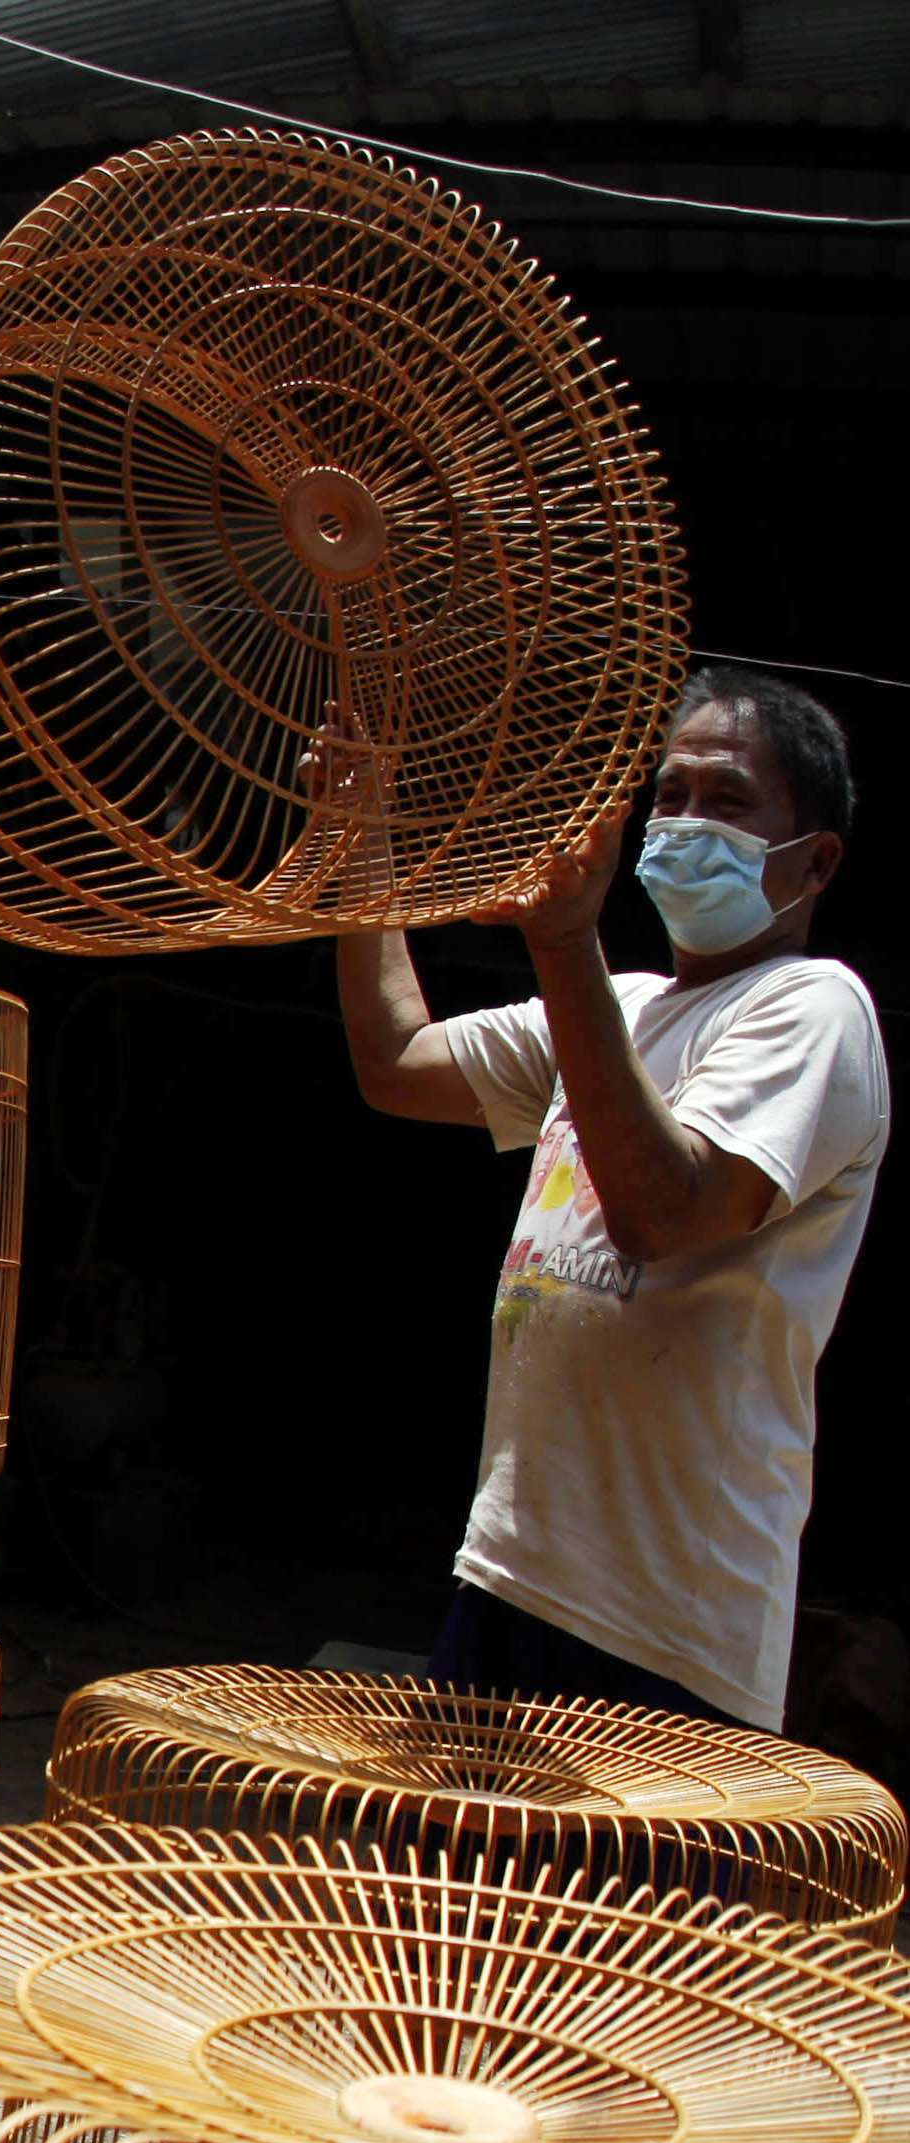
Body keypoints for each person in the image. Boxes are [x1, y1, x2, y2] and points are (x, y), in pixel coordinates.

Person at [331, 665, 887, 1733]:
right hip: (508, 1570)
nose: (681, 824)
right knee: (462, 1903)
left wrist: (560, 941)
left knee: (621, 1906)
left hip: (669, 1631)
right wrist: (357, 836)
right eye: (667, 796)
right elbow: (394, 1059)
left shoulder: (814, 1010)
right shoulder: (620, 1006)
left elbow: (662, 1214)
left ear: (813, 861)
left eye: (725, 802)